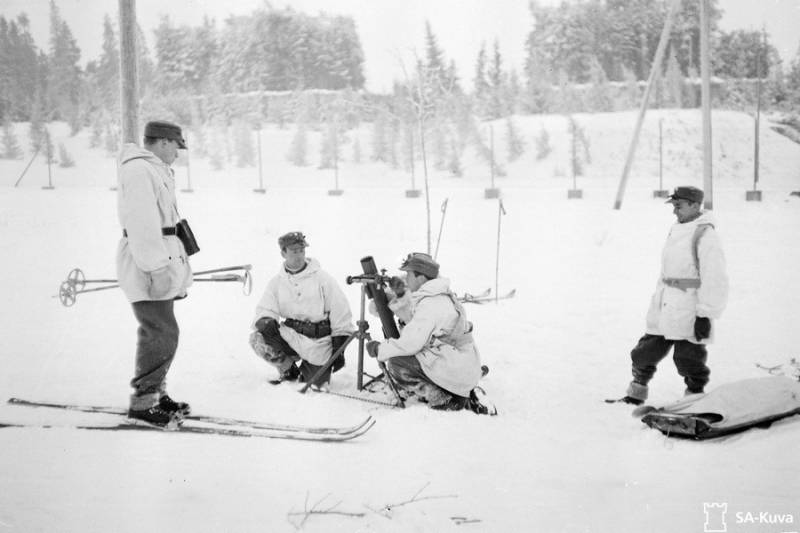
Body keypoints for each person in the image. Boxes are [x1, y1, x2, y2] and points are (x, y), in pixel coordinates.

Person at [619, 186, 729, 405]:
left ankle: (694, 398)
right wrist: (656, 300)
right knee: (643, 354)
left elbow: (715, 278)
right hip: (664, 304)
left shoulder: (705, 235)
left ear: (695, 205)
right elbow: (666, 269)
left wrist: (705, 314)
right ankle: (635, 394)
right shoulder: (677, 228)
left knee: (688, 359)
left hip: (689, 308)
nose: (674, 211)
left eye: (678, 206)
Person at [116, 120, 193, 426]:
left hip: (160, 261)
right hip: (147, 264)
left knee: (162, 330)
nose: (178, 152)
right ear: (162, 142)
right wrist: (157, 269)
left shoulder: (154, 170)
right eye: (176, 145)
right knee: (161, 331)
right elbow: (143, 224)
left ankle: (155, 393)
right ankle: (144, 402)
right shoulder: (139, 170)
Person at [365, 253, 495, 415]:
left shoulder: (430, 304)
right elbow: (414, 321)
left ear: (420, 278)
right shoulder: (436, 294)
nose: (406, 279)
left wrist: (379, 349)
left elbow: (410, 343)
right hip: (462, 364)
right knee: (413, 355)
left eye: (409, 275)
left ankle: (446, 398)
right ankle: (460, 390)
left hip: (457, 367)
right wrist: (395, 295)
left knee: (398, 362)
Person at [249, 232, 354, 387]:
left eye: (301, 251)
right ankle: (288, 369)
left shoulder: (322, 278)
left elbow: (341, 311)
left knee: (316, 385)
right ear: (283, 253)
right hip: (292, 335)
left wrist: (340, 346)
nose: (299, 255)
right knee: (258, 338)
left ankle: (310, 370)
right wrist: (266, 320)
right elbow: (266, 308)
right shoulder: (277, 282)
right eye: (294, 251)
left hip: (319, 342)